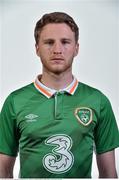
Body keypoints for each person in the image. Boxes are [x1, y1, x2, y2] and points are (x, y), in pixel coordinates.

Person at [0, 12, 119, 178]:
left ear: (76, 48)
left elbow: (109, 173)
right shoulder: (14, 102)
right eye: (49, 42)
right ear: (37, 48)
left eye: (65, 42)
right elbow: (3, 172)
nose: (57, 50)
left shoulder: (98, 101)